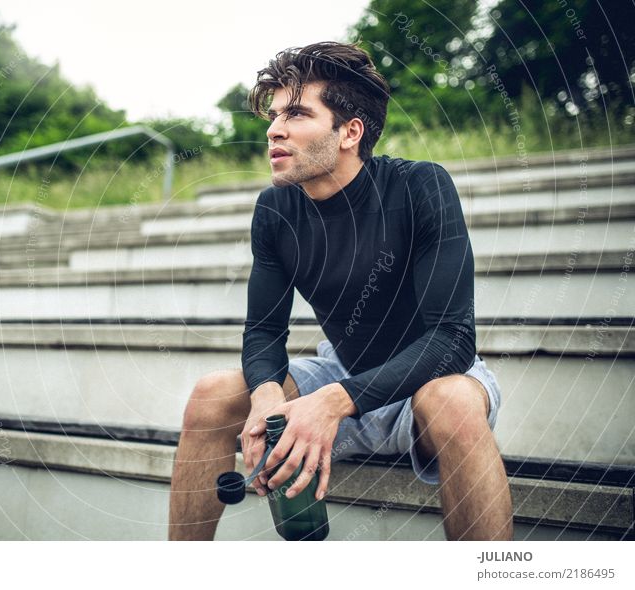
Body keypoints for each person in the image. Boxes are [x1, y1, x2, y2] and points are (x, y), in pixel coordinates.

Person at [168, 41, 513, 541]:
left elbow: (452, 340)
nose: (273, 129)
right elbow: (264, 329)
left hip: (423, 384)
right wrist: (266, 396)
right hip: (341, 369)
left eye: (297, 113)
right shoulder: (276, 209)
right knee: (214, 393)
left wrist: (333, 402)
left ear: (350, 131)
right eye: (273, 116)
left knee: (454, 401)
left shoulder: (420, 187)